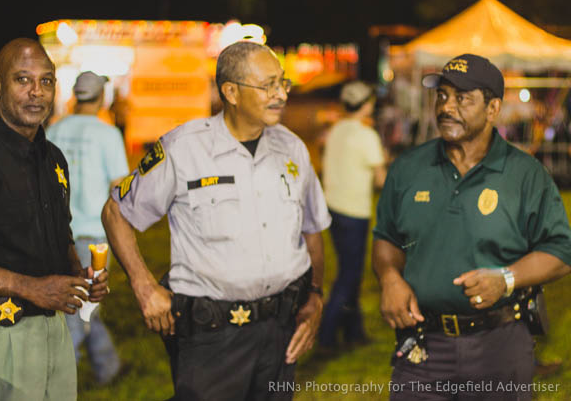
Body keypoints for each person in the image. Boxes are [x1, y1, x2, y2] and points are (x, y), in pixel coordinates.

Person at [101, 41, 331, 400]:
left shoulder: (293, 149)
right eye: (268, 85)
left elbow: (313, 229)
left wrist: (315, 296)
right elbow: (117, 212)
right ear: (231, 92)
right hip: (212, 338)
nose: (280, 94)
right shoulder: (184, 149)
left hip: (281, 332)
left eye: (282, 83)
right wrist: (145, 288)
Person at [372, 53, 571, 400]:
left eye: (462, 98)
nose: (447, 107)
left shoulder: (525, 175)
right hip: (423, 346)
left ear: (493, 109)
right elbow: (386, 239)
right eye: (442, 95)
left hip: (499, 345)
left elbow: (561, 251)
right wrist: (390, 278)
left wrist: (506, 278)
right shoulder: (408, 169)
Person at [0, 38, 109, 401]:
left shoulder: (53, 158)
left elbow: (60, 236)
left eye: (46, 81)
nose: (36, 92)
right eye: (23, 80)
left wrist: (79, 276)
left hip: (55, 334)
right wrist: (29, 287)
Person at [46, 70, 128, 386]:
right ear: (101, 97)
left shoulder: (54, 129)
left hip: (59, 233)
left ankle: (109, 366)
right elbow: (119, 188)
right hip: (94, 235)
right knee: (81, 311)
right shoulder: (107, 134)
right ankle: (58, 378)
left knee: (85, 306)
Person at [318, 81, 387, 351]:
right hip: (355, 210)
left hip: (333, 207)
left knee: (351, 271)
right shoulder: (365, 135)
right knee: (349, 274)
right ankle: (326, 333)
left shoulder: (336, 130)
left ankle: (353, 330)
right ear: (367, 104)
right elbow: (381, 179)